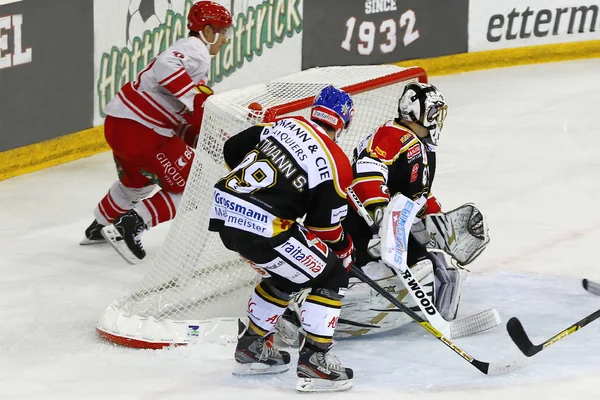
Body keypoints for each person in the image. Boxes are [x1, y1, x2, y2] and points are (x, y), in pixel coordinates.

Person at [276, 82, 488, 341]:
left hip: (385, 225)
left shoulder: (421, 146)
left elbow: (418, 196)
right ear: (413, 113)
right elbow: (368, 172)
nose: (436, 118)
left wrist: (439, 222)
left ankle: (315, 311)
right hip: (356, 221)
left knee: (437, 268)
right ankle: (297, 315)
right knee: (349, 272)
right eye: (431, 112)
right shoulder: (393, 133)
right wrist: (380, 217)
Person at [208, 86, 355, 392]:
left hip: (225, 212)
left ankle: (252, 347)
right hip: (264, 226)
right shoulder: (336, 161)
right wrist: (344, 248)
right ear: (343, 122)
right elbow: (324, 229)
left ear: (315, 110)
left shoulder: (284, 124)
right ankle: (316, 359)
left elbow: (233, 147)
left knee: (289, 273)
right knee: (332, 272)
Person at [79, 2, 232, 265]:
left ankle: (101, 224)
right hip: (142, 131)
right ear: (207, 31)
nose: (226, 39)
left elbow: (174, 108)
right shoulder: (196, 50)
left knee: (136, 183)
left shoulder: (192, 57)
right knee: (195, 186)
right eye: (223, 31)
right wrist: (196, 99)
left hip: (119, 125)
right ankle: (130, 225)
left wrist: (198, 135)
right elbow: (165, 67)